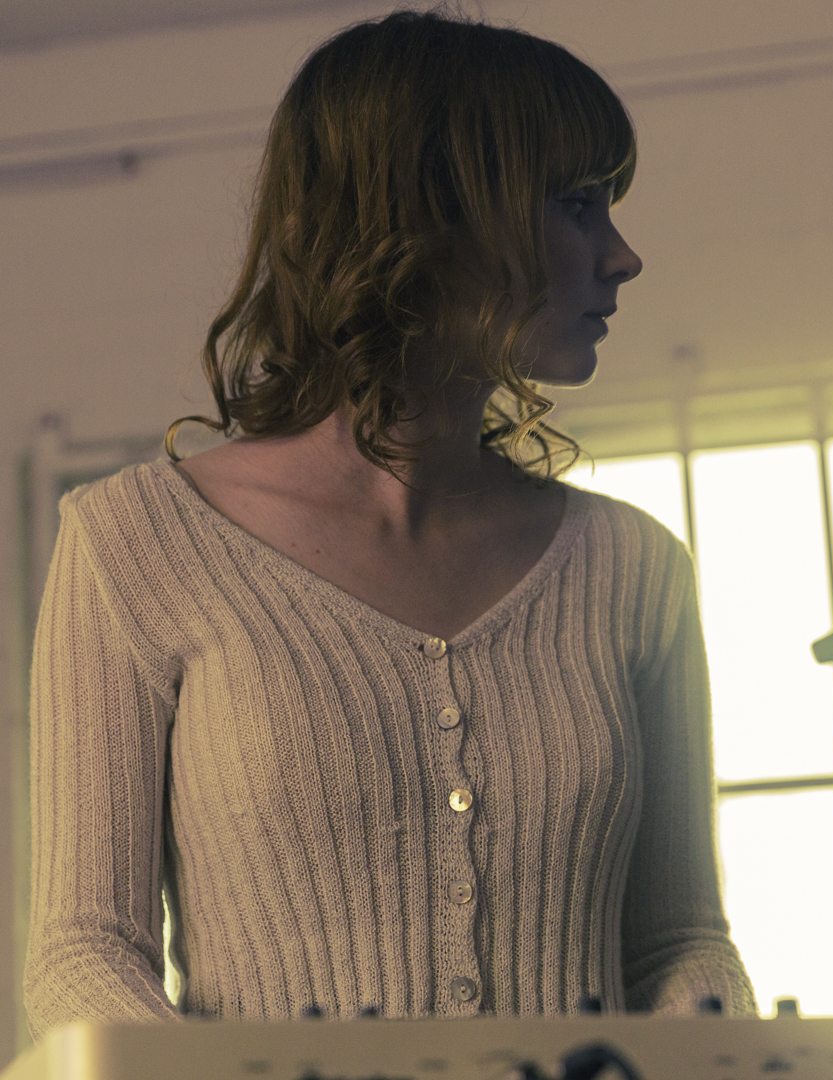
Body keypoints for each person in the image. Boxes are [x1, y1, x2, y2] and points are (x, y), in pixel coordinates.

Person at [24, 7, 756, 1038]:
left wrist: (707, 1039)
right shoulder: (134, 543)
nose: (623, 256)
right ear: (434, 215)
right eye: (577, 205)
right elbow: (82, 955)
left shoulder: (634, 567)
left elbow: (679, 941)